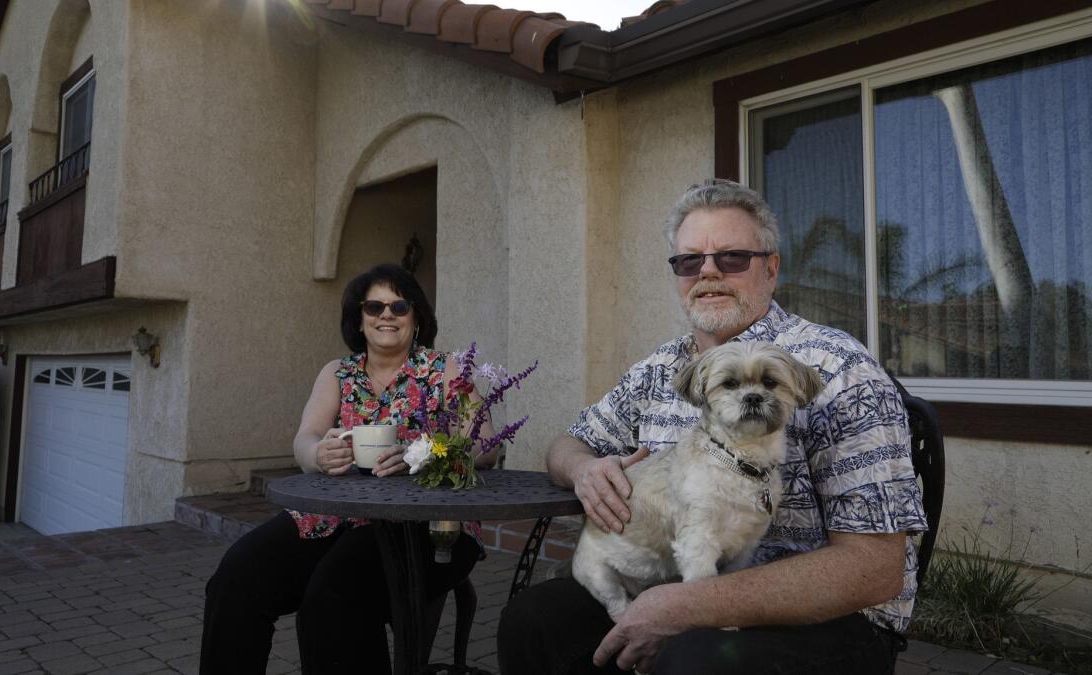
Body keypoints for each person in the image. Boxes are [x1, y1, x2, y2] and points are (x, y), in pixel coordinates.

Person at [497, 180, 927, 675]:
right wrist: (584, 470)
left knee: (696, 659)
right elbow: (567, 444)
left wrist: (690, 607)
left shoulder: (838, 369)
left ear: (771, 268)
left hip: (820, 620)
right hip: (671, 581)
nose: (707, 272)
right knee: (531, 622)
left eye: (732, 258)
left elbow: (874, 569)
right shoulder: (659, 369)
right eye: (689, 261)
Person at [200, 263, 497, 675]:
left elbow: (486, 446)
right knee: (237, 578)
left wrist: (425, 450)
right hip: (334, 517)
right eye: (374, 306)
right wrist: (318, 455)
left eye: (400, 305)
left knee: (332, 597)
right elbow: (305, 439)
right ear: (359, 319)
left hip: (426, 525)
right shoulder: (337, 373)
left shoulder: (444, 369)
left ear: (417, 317)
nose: (386, 315)